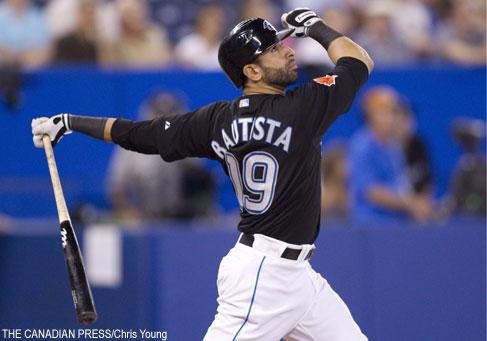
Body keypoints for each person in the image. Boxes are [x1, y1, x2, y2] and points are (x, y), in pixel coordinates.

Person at [32, 8, 373, 340]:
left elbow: (138, 134)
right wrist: (314, 26)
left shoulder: (216, 120)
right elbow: (358, 62)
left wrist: (70, 122)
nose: (286, 50)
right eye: (272, 49)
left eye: (280, 44)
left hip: (295, 275)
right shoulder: (304, 107)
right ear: (251, 72)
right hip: (264, 275)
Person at [107, 91, 215, 222]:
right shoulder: (129, 144)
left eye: (169, 114)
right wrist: (129, 212)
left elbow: (202, 180)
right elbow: (116, 187)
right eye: (158, 114)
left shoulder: (186, 141)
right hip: (143, 217)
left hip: (180, 219)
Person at [349, 86, 434, 222]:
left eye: (393, 112)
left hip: (398, 223)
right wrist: (411, 204)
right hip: (371, 225)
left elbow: (400, 183)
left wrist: (419, 205)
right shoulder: (362, 146)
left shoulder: (394, 145)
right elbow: (371, 191)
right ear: (371, 114)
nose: (391, 118)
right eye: (385, 112)